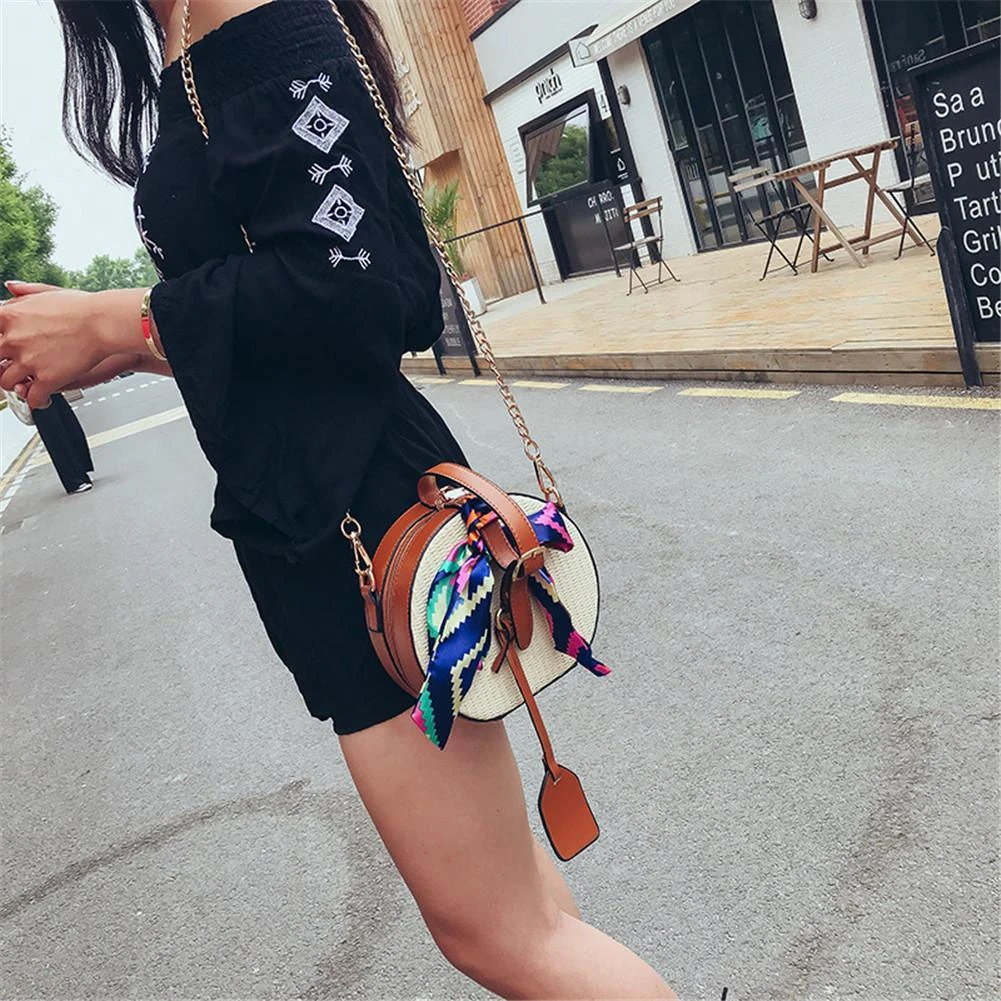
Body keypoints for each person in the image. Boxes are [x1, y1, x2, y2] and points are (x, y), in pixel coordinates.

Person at [0, 2, 677, 997]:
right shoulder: (186, 28)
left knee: (501, 932)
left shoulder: (236, 10)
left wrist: (120, 318)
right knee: (518, 910)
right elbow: (296, 305)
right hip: (323, 518)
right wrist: (125, 345)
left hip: (366, 516)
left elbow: (363, 290)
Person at [32, 392, 94, 494]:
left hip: (52, 392)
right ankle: (73, 482)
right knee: (58, 441)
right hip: (35, 398)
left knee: (74, 432)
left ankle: (82, 474)